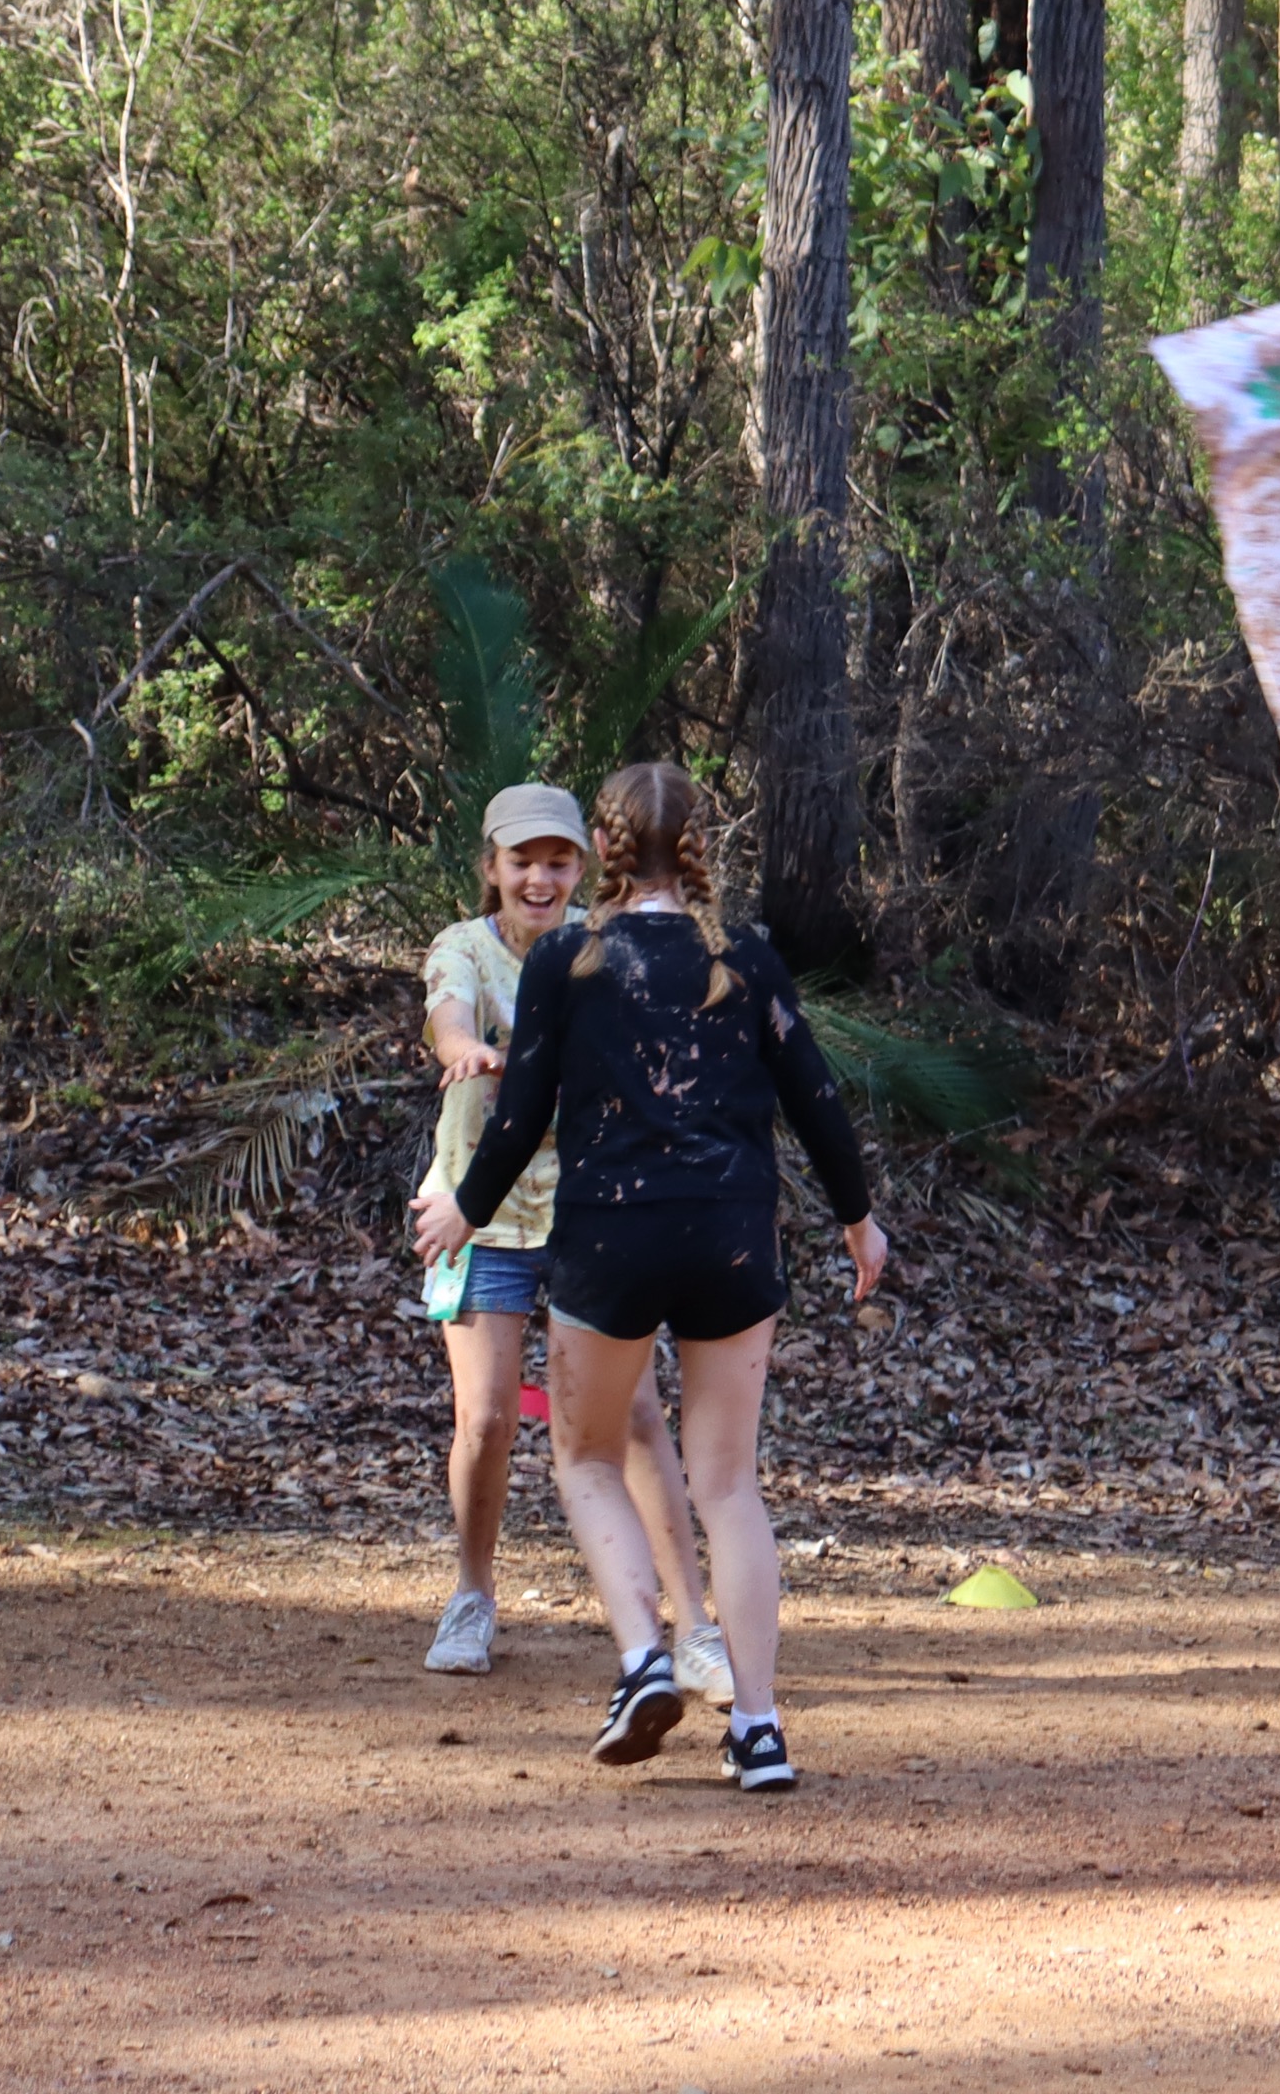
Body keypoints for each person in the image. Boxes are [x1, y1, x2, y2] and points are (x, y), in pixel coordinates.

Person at [423, 760, 887, 1795]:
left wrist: (466, 1207)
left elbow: (523, 1111)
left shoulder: (571, 963)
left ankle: (642, 1660)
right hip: (733, 1236)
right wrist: (861, 1223)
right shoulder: (748, 960)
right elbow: (814, 1097)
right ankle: (759, 1731)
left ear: (608, 847)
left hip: (611, 1237)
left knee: (586, 1456)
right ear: (701, 845)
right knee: (727, 1482)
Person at [409, 782, 722, 1691]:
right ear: (492, 869)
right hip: (484, 1208)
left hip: (594, 1206)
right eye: (522, 861)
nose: (540, 879)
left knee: (630, 1416)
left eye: (558, 861)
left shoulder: (602, 948)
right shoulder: (464, 947)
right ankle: (472, 1593)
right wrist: (462, 1050)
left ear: (585, 865)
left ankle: (693, 1624)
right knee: (490, 1419)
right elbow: (448, 1011)